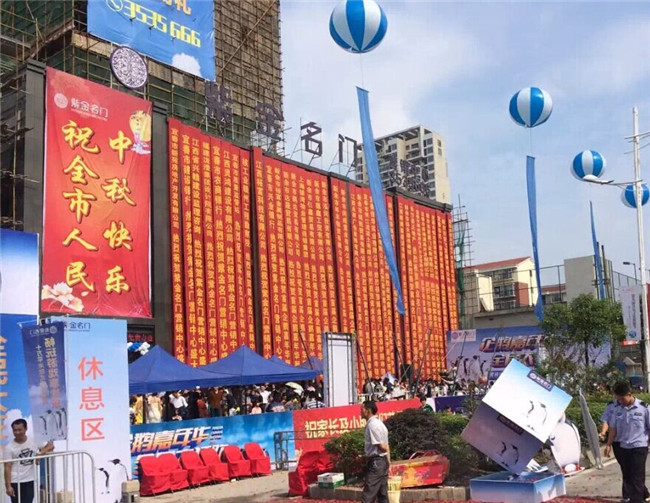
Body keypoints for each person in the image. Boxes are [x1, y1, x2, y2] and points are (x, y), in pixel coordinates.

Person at [605, 381, 650, 503]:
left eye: (622, 398)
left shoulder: (644, 408)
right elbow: (613, 428)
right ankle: (638, 497)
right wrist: (608, 444)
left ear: (629, 394)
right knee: (628, 476)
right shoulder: (617, 409)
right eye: (618, 399)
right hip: (624, 447)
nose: (620, 401)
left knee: (637, 477)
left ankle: (636, 500)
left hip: (639, 446)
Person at [4, 418, 54, 503]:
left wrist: (39, 454)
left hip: (29, 480)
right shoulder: (9, 447)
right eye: (15, 430)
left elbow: (50, 446)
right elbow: (7, 467)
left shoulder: (33, 440)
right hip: (15, 481)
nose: (17, 432)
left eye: (20, 430)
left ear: (26, 428)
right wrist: (8, 486)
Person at [361, 401, 389, 503]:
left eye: (362, 409)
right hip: (382, 462)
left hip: (376, 463)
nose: (360, 411)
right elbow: (387, 447)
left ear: (368, 411)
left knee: (368, 496)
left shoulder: (372, 425)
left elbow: (383, 446)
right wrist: (388, 462)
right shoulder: (380, 423)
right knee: (382, 495)